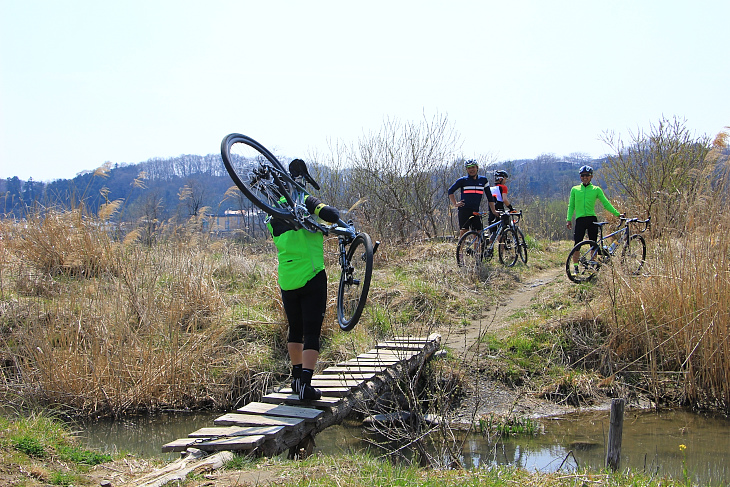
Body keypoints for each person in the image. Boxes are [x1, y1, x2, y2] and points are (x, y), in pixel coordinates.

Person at [267, 159, 340, 401]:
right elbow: (330, 214)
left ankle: (295, 379)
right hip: (311, 275)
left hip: (287, 279)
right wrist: (325, 218)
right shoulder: (306, 202)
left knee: (295, 330)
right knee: (311, 332)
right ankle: (306, 385)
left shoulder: (274, 210)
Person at [566, 165, 622, 271]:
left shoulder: (596, 189)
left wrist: (617, 214)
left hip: (592, 219)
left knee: (593, 244)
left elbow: (606, 203)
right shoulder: (575, 189)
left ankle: (592, 265)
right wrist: (568, 219)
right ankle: (576, 267)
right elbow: (571, 205)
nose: (585, 177)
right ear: (580, 177)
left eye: (587, 175)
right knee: (577, 244)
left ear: (591, 176)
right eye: (583, 175)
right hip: (580, 219)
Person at [448, 160, 496, 238]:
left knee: (478, 233)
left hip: (476, 210)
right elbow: (450, 191)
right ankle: (460, 250)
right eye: (469, 168)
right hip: (464, 210)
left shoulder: (483, 180)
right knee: (464, 232)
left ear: (477, 168)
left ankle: (477, 250)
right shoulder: (463, 180)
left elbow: (489, 197)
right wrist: (455, 203)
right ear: (466, 169)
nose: (471, 170)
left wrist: (494, 211)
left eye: (473, 167)